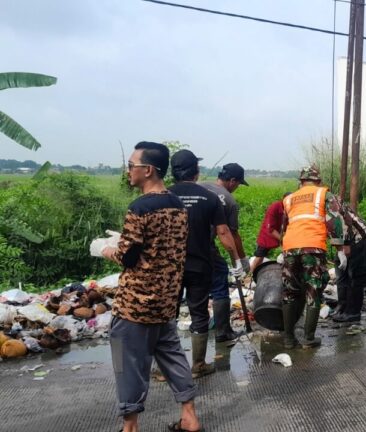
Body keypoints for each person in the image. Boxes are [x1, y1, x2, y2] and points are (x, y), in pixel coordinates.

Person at [96, 141, 202, 432]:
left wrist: (106, 249)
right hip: (166, 301)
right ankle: (189, 417)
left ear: (148, 170)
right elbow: (161, 246)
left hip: (135, 305)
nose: (128, 171)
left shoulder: (139, 207)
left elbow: (127, 257)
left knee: (127, 364)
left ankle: (130, 427)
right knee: (172, 355)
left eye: (132, 166)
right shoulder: (177, 205)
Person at [168, 150, 244, 378]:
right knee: (198, 312)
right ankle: (198, 365)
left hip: (169, 267)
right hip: (199, 263)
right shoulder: (208, 197)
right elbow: (224, 232)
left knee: (166, 315)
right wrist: (236, 261)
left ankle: (162, 368)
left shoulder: (164, 196)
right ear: (197, 171)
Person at [280, 166, 346, 349]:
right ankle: (308, 339)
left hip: (290, 248)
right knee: (313, 290)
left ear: (301, 182)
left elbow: (283, 227)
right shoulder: (324, 194)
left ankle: (288, 339)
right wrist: (339, 249)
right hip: (313, 247)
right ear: (318, 181)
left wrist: (284, 250)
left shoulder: (289, 198)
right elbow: (334, 222)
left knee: (290, 292)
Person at [201, 163, 251, 345]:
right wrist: (240, 260)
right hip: (205, 246)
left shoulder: (199, 186)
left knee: (194, 287)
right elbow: (230, 234)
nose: (237, 188)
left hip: (180, 246)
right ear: (232, 181)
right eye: (238, 184)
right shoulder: (228, 200)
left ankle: (198, 327)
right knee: (220, 278)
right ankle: (223, 331)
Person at [331, 202, 366, 323]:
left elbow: (346, 223)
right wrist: (340, 251)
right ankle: (342, 305)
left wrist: (346, 246)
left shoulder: (329, 204)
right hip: (344, 239)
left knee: (354, 275)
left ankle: (353, 312)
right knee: (341, 272)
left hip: (359, 238)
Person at [250, 192, 290, 272]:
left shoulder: (291, 208)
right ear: (283, 199)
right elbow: (270, 228)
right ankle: (250, 275)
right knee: (260, 256)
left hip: (282, 233)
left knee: (288, 255)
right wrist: (282, 239)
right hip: (267, 234)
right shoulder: (275, 207)